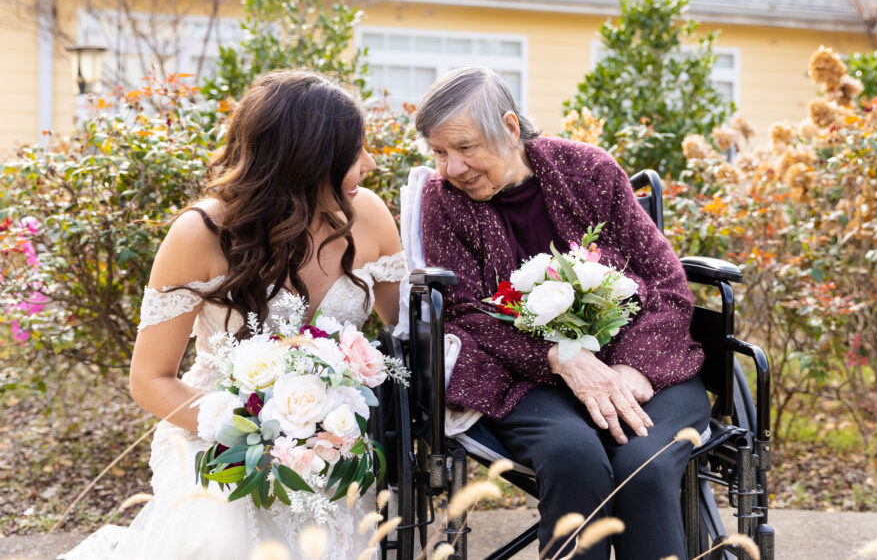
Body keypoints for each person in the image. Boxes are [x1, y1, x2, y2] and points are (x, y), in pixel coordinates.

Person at [64, 69, 406, 560]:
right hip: (213, 436)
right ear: (307, 162)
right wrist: (256, 432)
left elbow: (412, 332)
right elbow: (149, 379)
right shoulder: (200, 234)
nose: (369, 165)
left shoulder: (369, 216)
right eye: (354, 156)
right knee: (223, 530)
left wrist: (322, 429)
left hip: (331, 445)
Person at [416, 67, 711, 559]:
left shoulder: (589, 170)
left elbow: (667, 281)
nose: (452, 168)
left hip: (646, 366)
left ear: (510, 128)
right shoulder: (442, 200)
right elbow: (464, 312)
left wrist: (632, 366)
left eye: (465, 147)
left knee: (645, 465)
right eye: (439, 152)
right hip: (524, 380)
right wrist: (559, 358)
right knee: (572, 457)